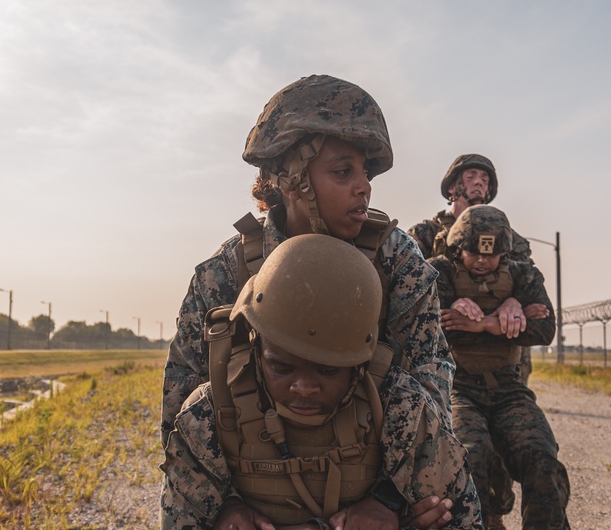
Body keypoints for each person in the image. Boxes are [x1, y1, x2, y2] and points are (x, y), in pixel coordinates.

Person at [161, 235, 487, 530]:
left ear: (361, 360)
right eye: (281, 367)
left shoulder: (401, 406)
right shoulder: (208, 414)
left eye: (328, 371)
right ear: (255, 345)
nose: (303, 388)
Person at [162, 74, 453, 449]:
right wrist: (226, 507)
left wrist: (392, 502)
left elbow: (432, 386)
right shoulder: (226, 272)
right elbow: (181, 409)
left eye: (366, 171)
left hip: (370, 483)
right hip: (251, 484)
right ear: (290, 179)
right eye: (342, 171)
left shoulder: (397, 262)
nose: (364, 186)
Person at [428, 205, 585, 530]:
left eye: (493, 254)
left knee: (542, 460)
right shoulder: (438, 271)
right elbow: (431, 325)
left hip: (509, 387)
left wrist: (489, 323)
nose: (483, 262)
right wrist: (500, 317)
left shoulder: (522, 274)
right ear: (457, 247)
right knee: (467, 463)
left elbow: (544, 328)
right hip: (459, 387)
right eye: (475, 254)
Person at [407, 154, 530, 530]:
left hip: (502, 358)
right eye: (470, 176)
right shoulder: (426, 233)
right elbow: (410, 278)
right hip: (444, 357)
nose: (478, 182)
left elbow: (525, 277)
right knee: (453, 447)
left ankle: (492, 525)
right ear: (453, 187)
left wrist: (513, 298)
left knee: (501, 444)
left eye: (484, 177)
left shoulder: (505, 232)